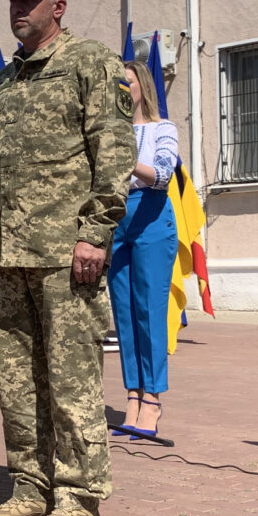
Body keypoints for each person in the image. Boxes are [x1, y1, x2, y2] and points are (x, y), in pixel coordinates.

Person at [0, 0, 136, 516]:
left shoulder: (92, 63)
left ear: (57, 7)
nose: (18, 8)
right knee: (15, 381)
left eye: (29, 0)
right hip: (12, 253)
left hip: (67, 253)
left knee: (71, 381)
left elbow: (114, 152)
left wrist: (95, 233)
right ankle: (29, 487)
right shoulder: (5, 81)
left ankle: (79, 498)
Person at [107, 61, 179, 440]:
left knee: (149, 309)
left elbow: (163, 173)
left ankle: (152, 397)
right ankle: (132, 395)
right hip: (116, 217)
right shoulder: (107, 132)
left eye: (127, 82)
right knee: (123, 313)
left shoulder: (161, 128)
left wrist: (125, 160)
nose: (121, 88)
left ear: (141, 87)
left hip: (151, 216)